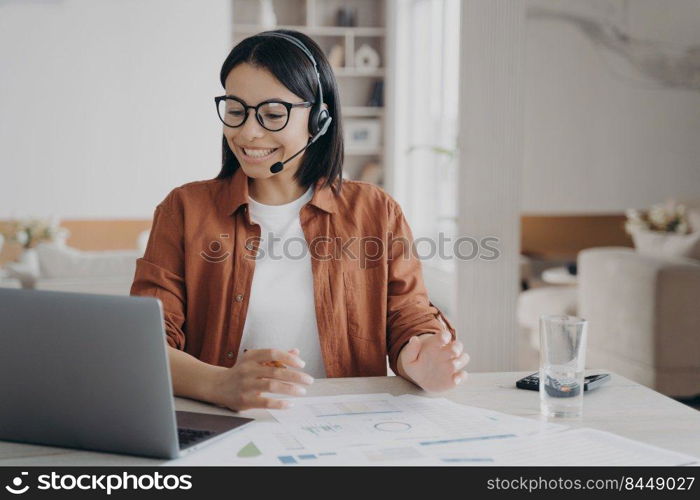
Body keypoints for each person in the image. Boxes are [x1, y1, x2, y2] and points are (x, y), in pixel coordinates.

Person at [130, 30, 469, 412]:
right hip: (222, 427)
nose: (248, 132)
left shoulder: (375, 211)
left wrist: (418, 355)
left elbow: (407, 315)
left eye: (273, 114)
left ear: (319, 119)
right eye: (236, 110)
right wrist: (219, 384)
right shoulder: (184, 209)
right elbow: (146, 342)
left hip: (346, 429)